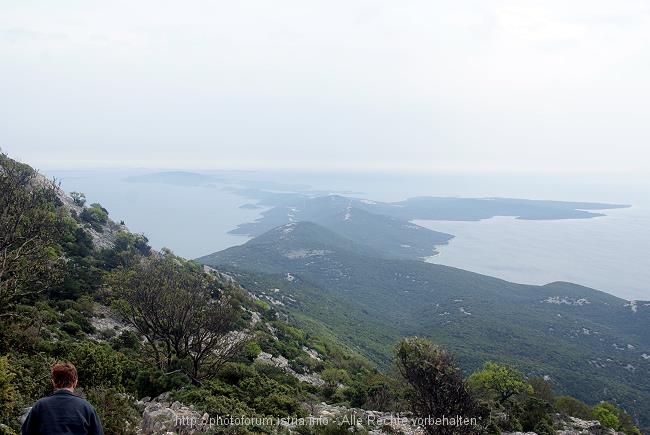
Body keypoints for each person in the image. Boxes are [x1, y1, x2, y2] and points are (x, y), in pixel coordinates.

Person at [21, 362, 104, 435]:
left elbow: (26, 432)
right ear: (75, 382)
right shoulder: (87, 408)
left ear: (53, 382)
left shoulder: (40, 406)